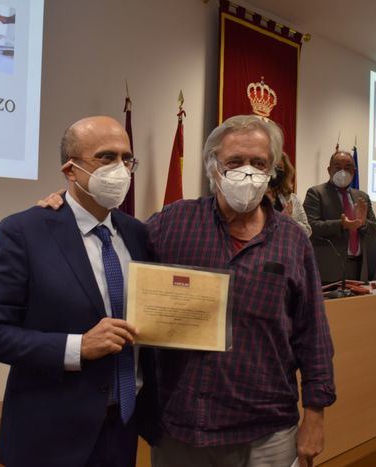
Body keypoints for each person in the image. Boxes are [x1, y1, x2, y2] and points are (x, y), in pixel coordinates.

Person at [40, 115, 336, 467]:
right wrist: (67, 205)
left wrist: (315, 415)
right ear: (213, 168)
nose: (247, 172)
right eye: (235, 162)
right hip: (183, 427)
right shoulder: (172, 223)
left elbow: (313, 335)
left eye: (259, 163)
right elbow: (111, 235)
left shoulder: (292, 240)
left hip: (267, 429)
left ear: (272, 170)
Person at [0, 116, 159, 467]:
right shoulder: (25, 231)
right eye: (105, 157)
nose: (120, 169)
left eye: (126, 158)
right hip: (49, 436)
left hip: (123, 428)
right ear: (70, 171)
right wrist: (78, 347)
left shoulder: (137, 234)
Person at [303, 150, 376, 283]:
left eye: (348, 167)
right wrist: (341, 224)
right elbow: (310, 227)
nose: (343, 171)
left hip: (360, 268)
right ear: (329, 170)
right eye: (338, 167)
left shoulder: (362, 197)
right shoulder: (316, 193)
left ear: (354, 171)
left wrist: (363, 223)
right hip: (329, 269)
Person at [266, 151, 312, 237]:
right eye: (272, 167)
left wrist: (290, 220)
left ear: (285, 171)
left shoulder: (292, 199)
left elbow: (307, 231)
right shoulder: (255, 198)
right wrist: (281, 219)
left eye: (279, 167)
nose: (275, 173)